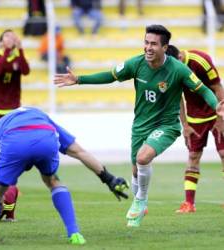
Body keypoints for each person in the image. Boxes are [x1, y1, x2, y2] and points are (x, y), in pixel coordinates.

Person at [54, 24, 224, 227]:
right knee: (136, 170)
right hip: (140, 125)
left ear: (164, 47)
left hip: (167, 125)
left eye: (153, 44)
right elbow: (110, 76)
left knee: (143, 158)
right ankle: (139, 201)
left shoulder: (178, 69)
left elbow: (204, 90)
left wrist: (217, 106)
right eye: (146, 42)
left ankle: (141, 201)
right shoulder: (136, 64)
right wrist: (79, 80)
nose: (148, 47)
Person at [0, 107, 129, 245]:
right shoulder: (43, 117)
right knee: (52, 180)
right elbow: (79, 152)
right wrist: (108, 178)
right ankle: (74, 233)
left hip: (14, 140)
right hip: (45, 136)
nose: (2, 208)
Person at [166, 45, 224, 213]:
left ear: (179, 57)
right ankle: (189, 203)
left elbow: (217, 88)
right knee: (193, 156)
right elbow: (178, 99)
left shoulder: (201, 60)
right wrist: (185, 125)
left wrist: (221, 119)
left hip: (215, 114)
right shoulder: (170, 70)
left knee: (223, 154)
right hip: (194, 119)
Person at [0, 29, 30, 132]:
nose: (11, 38)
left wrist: (21, 50)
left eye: (13, 36)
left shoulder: (18, 57)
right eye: (7, 36)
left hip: (12, 109)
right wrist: (7, 51)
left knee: (12, 141)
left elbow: (26, 71)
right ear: (1, 42)